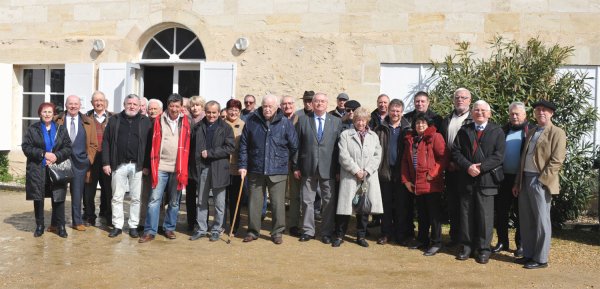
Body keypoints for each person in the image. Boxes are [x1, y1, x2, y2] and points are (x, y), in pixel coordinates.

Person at [512, 100, 566, 269]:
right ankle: (529, 254)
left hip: (540, 180)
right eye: (537, 110)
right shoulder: (532, 131)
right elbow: (523, 158)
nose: (540, 112)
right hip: (525, 178)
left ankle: (541, 258)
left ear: (551, 113)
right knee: (526, 219)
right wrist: (517, 181)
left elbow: (557, 160)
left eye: (544, 110)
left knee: (542, 220)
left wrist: (543, 180)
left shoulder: (557, 132)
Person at [238, 94, 298, 244]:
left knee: (278, 204)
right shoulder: (252, 121)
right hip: (255, 169)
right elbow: (244, 145)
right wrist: (243, 166)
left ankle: (277, 232)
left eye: (270, 106)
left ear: (277, 107)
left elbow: (294, 146)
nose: (267, 109)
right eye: (265, 106)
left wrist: (284, 160)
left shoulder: (285, 122)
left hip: (278, 170)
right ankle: (253, 231)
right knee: (254, 203)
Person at [452, 100, 505, 264]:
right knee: (466, 215)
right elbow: (455, 151)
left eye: (483, 110)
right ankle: (466, 247)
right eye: (476, 110)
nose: (479, 113)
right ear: (472, 112)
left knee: (485, 217)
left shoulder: (497, 131)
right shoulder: (464, 130)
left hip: (487, 180)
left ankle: (483, 249)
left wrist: (480, 168)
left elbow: (499, 155)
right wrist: (468, 166)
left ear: (489, 113)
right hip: (467, 179)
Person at [139, 93, 191, 243]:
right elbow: (151, 144)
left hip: (178, 168)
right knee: (154, 200)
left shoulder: (186, 122)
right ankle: (150, 231)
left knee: (174, 202)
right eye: (171, 106)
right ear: (167, 106)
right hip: (160, 166)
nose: (174, 109)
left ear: (181, 107)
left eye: (177, 106)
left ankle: (169, 228)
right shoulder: (158, 121)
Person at [294, 92, 342, 244]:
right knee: (307, 200)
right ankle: (308, 230)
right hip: (307, 166)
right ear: (312, 104)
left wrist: (339, 170)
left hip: (329, 168)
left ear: (327, 104)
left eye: (322, 101)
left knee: (328, 202)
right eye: (317, 101)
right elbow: (297, 146)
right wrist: (296, 166)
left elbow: (339, 147)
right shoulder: (302, 121)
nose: (319, 104)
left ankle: (326, 232)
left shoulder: (336, 122)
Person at [102, 94, 152, 238]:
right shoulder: (114, 120)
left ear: (139, 106)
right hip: (118, 164)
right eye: (129, 103)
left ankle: (133, 226)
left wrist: (147, 165)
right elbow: (106, 142)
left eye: (135, 104)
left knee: (136, 198)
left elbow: (149, 146)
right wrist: (106, 162)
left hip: (138, 166)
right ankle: (117, 226)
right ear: (124, 105)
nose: (132, 106)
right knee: (117, 197)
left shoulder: (145, 121)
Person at [22, 102, 72, 238]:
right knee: (38, 198)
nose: (47, 114)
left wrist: (56, 156)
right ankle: (39, 226)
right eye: (44, 112)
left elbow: (68, 147)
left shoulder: (61, 129)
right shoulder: (33, 129)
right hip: (38, 168)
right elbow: (26, 147)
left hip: (57, 168)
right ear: (40, 114)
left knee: (58, 197)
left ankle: (60, 226)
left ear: (54, 114)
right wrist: (43, 154)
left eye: (50, 112)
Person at [334, 107, 383, 247]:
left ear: (367, 120)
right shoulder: (345, 135)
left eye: (363, 120)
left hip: (367, 177)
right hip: (350, 176)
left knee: (364, 208)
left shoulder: (374, 136)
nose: (360, 123)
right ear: (353, 120)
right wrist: (356, 170)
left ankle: (361, 236)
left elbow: (377, 156)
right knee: (345, 208)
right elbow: (343, 155)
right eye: (357, 120)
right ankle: (339, 235)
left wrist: (366, 171)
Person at [401, 113, 448, 256]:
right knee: (422, 214)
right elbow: (405, 161)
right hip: (416, 183)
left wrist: (432, 174)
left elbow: (444, 156)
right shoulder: (411, 139)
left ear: (428, 125)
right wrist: (406, 180)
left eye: (423, 123)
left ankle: (436, 242)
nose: (420, 125)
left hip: (431, 183)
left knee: (434, 215)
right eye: (417, 123)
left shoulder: (435, 137)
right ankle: (422, 239)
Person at [188, 101, 235, 241]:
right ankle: (202, 229)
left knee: (219, 203)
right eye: (208, 112)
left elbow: (230, 147)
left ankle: (216, 229)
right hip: (202, 168)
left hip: (219, 169)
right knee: (201, 201)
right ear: (205, 111)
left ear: (219, 112)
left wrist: (210, 153)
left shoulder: (226, 128)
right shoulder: (198, 127)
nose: (211, 115)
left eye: (214, 112)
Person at [493, 102, 533, 257]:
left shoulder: (530, 131)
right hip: (503, 178)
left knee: (520, 213)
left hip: (522, 178)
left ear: (525, 115)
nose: (514, 116)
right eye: (512, 114)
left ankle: (521, 244)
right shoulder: (503, 130)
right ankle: (502, 242)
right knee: (501, 211)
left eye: (517, 114)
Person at [54, 95, 98, 232]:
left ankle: (77, 221)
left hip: (80, 163)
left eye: (76, 104)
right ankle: (56, 223)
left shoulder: (88, 121)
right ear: (66, 105)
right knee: (58, 193)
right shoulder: (57, 120)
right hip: (61, 161)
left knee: (77, 194)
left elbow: (93, 144)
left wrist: (88, 160)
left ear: (80, 106)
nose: (73, 106)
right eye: (70, 104)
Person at [439, 87, 473, 247]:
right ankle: (454, 237)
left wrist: (462, 163)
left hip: (466, 169)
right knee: (453, 204)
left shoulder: (473, 119)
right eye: (457, 97)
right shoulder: (447, 120)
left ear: (469, 101)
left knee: (465, 206)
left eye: (464, 97)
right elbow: (443, 145)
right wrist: (448, 162)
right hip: (450, 168)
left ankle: (465, 239)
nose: (460, 100)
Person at [374, 99, 411, 246]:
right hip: (384, 170)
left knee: (402, 205)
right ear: (388, 111)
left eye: (398, 111)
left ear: (402, 112)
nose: (395, 114)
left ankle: (401, 235)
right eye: (393, 111)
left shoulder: (408, 128)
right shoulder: (380, 128)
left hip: (401, 172)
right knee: (386, 205)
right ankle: (386, 233)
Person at [84, 91, 114, 227]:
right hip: (91, 158)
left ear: (105, 102)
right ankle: (90, 216)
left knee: (108, 189)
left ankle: (108, 215)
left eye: (101, 100)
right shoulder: (84, 118)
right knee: (89, 189)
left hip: (107, 158)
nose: (99, 103)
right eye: (96, 100)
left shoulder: (114, 118)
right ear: (92, 103)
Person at [223, 99, 245, 235]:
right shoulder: (221, 124)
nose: (233, 112)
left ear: (240, 112)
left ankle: (234, 226)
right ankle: (220, 225)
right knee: (221, 200)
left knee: (235, 199)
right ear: (227, 110)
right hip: (223, 167)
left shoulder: (244, 125)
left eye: (236, 110)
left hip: (237, 168)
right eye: (231, 109)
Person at [280, 95, 301, 236]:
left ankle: (293, 225)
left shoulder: (301, 120)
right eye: (284, 104)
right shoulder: (277, 120)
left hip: (295, 163)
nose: (287, 106)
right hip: (278, 163)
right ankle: (279, 225)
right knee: (279, 196)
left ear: (294, 105)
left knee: (295, 196)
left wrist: (297, 165)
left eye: (290, 103)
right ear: (281, 106)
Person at [185, 95, 205, 231]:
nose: (195, 108)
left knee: (202, 197)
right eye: (192, 105)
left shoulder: (206, 121)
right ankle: (191, 222)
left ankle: (202, 223)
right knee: (190, 196)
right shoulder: (186, 121)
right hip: (188, 163)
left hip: (202, 164)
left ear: (202, 107)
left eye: (198, 105)